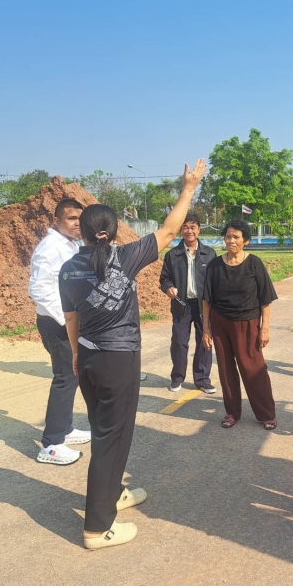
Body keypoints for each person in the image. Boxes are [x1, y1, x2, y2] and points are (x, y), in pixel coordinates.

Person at [59, 159, 207, 550]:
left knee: (105, 430)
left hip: (88, 358)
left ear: (83, 232)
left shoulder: (67, 269)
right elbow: (171, 229)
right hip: (118, 360)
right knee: (113, 438)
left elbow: (70, 318)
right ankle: (97, 528)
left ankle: (114, 493)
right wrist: (189, 187)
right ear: (113, 231)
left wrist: (75, 355)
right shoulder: (125, 256)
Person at [28, 198, 90, 465]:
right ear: (56, 221)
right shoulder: (50, 248)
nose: (77, 224)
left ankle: (65, 428)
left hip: (68, 322)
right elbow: (39, 289)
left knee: (72, 376)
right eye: (71, 219)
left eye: (80, 219)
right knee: (65, 377)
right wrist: (68, 322)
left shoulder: (71, 244)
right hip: (57, 324)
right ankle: (51, 444)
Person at [201, 219, 278, 430]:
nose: (231, 240)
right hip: (220, 323)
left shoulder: (254, 263)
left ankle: (266, 413)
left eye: (236, 237)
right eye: (228, 236)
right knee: (226, 369)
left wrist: (264, 329)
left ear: (246, 240)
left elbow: (265, 299)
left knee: (253, 368)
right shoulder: (215, 265)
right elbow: (206, 300)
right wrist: (206, 329)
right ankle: (232, 412)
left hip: (247, 322)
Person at [159, 213, 216, 393]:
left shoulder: (209, 254)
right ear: (180, 230)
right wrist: (168, 287)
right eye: (185, 227)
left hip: (203, 306)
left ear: (199, 230)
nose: (189, 231)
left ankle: (202, 379)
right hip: (181, 305)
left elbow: (215, 280)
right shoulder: (172, 255)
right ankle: (177, 378)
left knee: (204, 341)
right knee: (179, 341)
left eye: (192, 227)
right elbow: (164, 278)